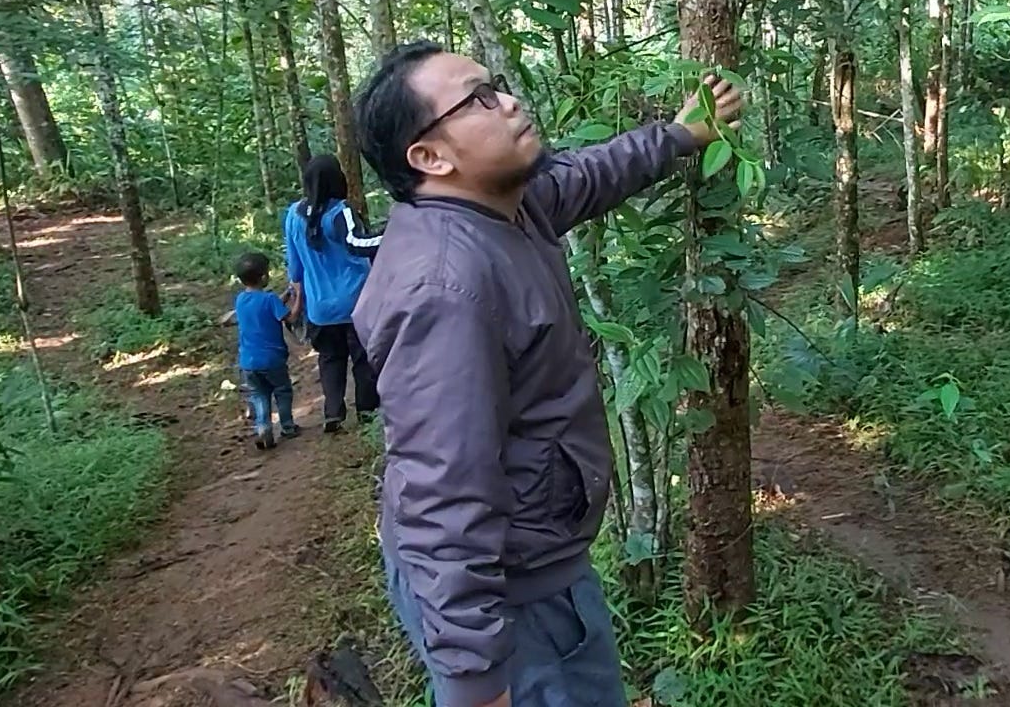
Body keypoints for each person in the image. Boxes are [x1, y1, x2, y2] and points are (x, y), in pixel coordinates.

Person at [352, 42, 741, 707]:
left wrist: (679, 136)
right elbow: (442, 490)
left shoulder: (502, 208)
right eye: (478, 99)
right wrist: (476, 680)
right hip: (512, 603)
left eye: (496, 85)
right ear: (430, 156)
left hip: (538, 563)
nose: (507, 101)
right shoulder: (446, 287)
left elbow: (586, 176)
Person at [284, 154, 383, 433]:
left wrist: (298, 301)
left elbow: (294, 266)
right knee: (363, 359)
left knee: (330, 359)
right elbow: (358, 243)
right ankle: (367, 413)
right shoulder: (341, 212)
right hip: (356, 302)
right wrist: (396, 233)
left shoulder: (293, 215)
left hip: (319, 308)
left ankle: (333, 413)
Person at [222, 251, 301, 450]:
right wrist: (298, 297)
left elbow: (265, 308)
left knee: (259, 395)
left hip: (248, 361)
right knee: (282, 391)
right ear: (265, 277)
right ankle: (288, 427)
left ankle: (263, 428)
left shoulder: (240, 300)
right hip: (272, 359)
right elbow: (289, 318)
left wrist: (284, 296)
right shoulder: (270, 300)